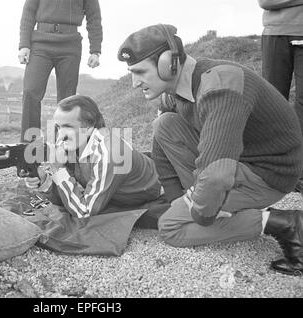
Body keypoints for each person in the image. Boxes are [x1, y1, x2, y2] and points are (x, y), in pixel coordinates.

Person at [117, 24, 303, 276]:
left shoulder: (219, 88)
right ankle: (201, 199)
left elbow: (216, 175)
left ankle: (284, 223)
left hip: (268, 173)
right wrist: (175, 199)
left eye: (139, 72)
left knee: (171, 227)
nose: (134, 83)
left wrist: (202, 214)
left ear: (168, 64)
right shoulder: (177, 88)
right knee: (165, 124)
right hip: (239, 158)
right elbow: (162, 141)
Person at [24, 94, 163, 221]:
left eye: (68, 127)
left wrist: (59, 169)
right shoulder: (71, 142)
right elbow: (67, 194)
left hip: (151, 189)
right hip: (115, 191)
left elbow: (84, 212)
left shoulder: (109, 154)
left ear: (90, 126)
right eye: (58, 127)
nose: (60, 136)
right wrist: (45, 181)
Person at [18, 0, 103, 142]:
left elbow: (94, 17)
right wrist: (24, 45)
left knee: (67, 99)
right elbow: (28, 13)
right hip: (40, 43)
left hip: (70, 45)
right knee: (30, 91)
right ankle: (29, 148)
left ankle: (63, 147)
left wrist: (95, 50)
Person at [258, 0, 303, 192]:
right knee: (271, 102)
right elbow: (266, 1)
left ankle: (298, 172)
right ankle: (270, 168)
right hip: (275, 33)